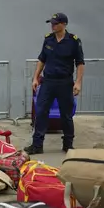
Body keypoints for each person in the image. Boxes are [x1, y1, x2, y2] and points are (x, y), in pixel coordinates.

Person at [24, 12, 84, 155]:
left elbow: (80, 63)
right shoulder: (48, 39)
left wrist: (78, 83)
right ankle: (37, 145)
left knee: (66, 115)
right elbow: (42, 59)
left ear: (64, 24)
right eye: (52, 23)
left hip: (65, 82)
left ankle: (68, 145)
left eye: (55, 23)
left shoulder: (73, 41)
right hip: (48, 82)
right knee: (41, 112)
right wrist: (35, 78)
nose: (53, 25)